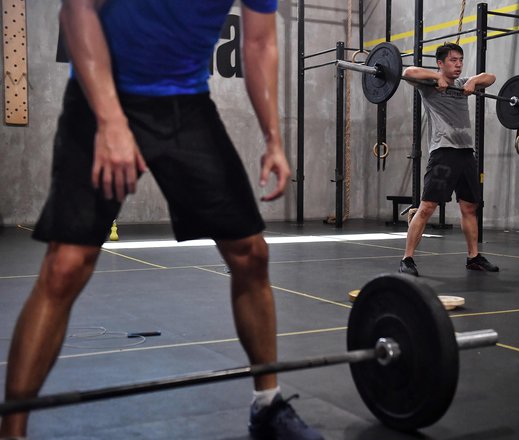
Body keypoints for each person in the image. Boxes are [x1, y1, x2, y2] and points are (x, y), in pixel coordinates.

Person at [0, 1, 323, 439]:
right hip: (100, 96)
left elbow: (261, 40)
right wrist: (112, 121)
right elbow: (76, 11)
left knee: (250, 253)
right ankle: (11, 431)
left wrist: (274, 139)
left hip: (186, 106)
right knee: (65, 266)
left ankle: (267, 405)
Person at [399, 43, 499, 277]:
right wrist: (436, 77)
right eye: (453, 60)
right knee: (426, 208)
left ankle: (473, 257)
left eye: (460, 60)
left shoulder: (464, 84)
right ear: (441, 63)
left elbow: (491, 77)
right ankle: (407, 259)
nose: (458, 64)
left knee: (470, 206)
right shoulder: (429, 85)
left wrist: (473, 81)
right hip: (443, 152)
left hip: (466, 153)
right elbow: (407, 73)